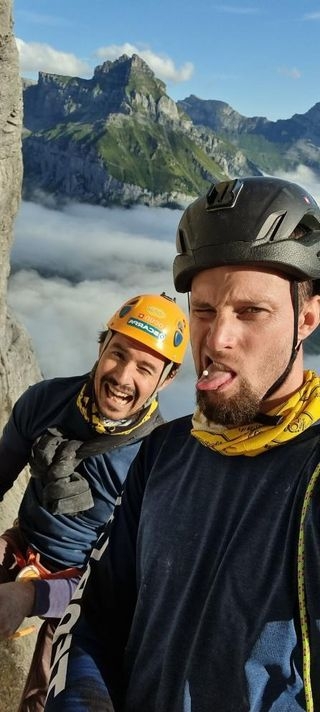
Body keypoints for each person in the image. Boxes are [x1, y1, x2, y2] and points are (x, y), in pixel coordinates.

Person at [45, 176, 320, 712]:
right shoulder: (166, 452)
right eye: (204, 310)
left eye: (250, 312)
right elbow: (99, 615)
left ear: (307, 319)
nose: (217, 340)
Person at [0, 291, 189, 712]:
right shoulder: (44, 402)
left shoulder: (155, 464)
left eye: (145, 367)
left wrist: (31, 595)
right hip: (22, 545)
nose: (123, 376)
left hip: (85, 587)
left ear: (168, 378)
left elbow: (120, 589)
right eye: (117, 354)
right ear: (102, 345)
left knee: (43, 701)